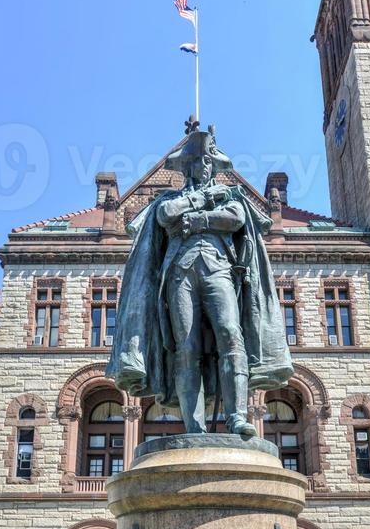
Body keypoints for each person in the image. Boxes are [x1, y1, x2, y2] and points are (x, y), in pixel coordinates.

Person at [107, 125, 293, 435]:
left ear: (215, 166)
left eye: (208, 161)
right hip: (180, 274)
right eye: (197, 161)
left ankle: (237, 417)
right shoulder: (172, 198)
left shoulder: (231, 197)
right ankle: (194, 425)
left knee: (231, 335)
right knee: (186, 347)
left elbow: (236, 217)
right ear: (186, 167)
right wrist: (203, 200)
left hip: (219, 271)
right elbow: (166, 214)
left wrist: (198, 220)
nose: (203, 166)